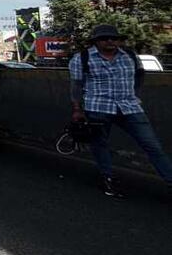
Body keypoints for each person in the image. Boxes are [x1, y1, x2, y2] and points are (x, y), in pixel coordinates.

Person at [69, 24, 172, 199]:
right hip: (98, 107)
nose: (110, 41)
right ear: (95, 42)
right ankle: (108, 178)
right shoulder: (82, 58)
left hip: (130, 106)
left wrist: (132, 94)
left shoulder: (130, 56)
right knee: (100, 145)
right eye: (104, 38)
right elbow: (76, 86)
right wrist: (77, 109)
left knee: (152, 145)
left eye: (114, 38)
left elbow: (139, 77)